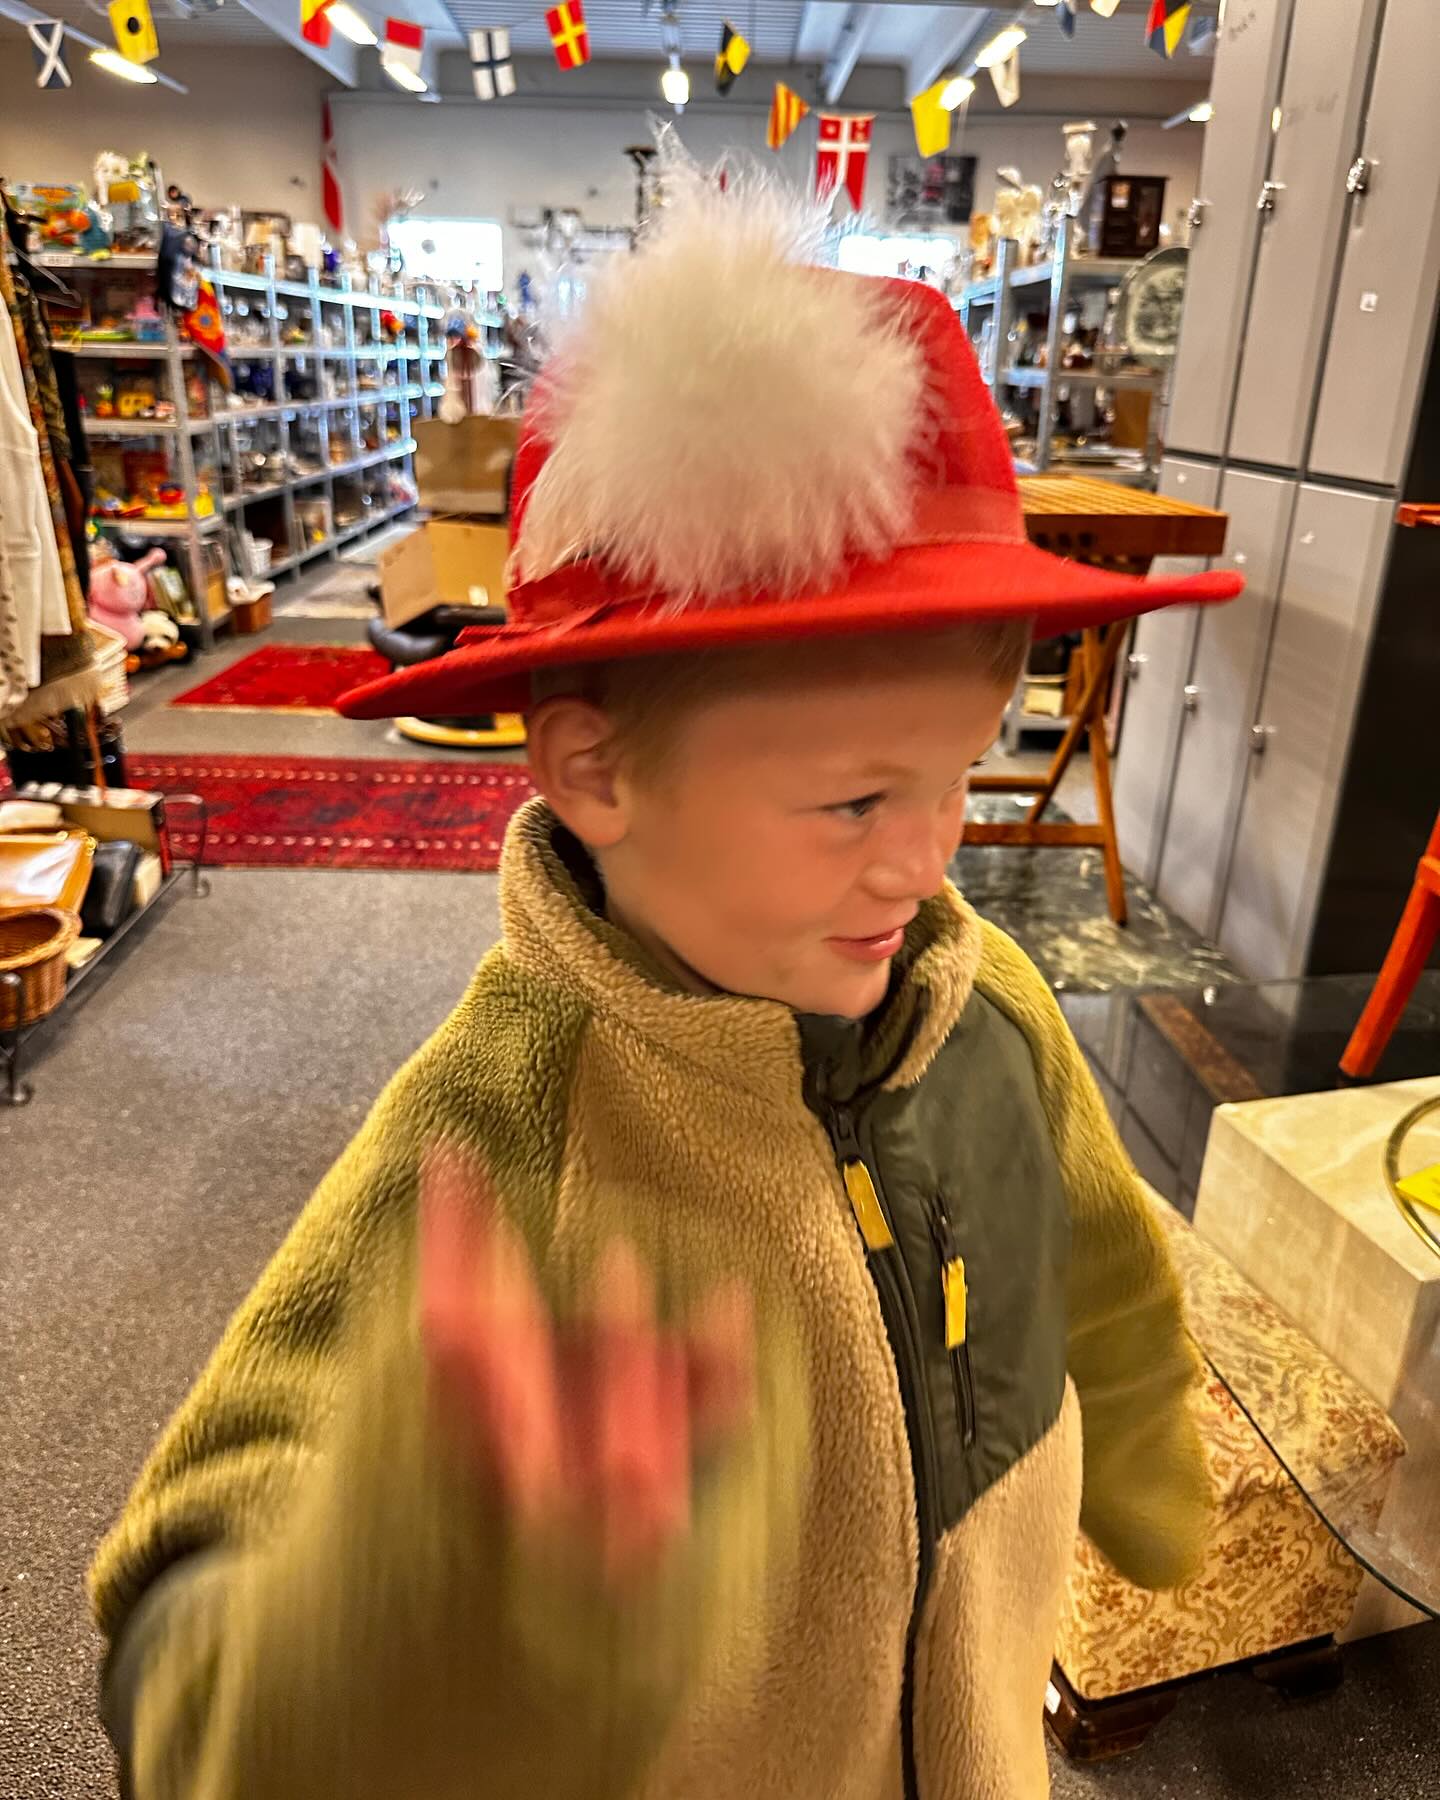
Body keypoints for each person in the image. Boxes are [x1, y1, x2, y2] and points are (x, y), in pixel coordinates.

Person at [90, 166, 1242, 1800]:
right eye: (856, 801)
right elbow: (177, 1673)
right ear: (595, 771)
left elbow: (1100, 1256)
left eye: (959, 780)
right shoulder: (493, 1133)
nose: (928, 866)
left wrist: (1138, 1443)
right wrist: (426, 1570)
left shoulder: (988, 1010)